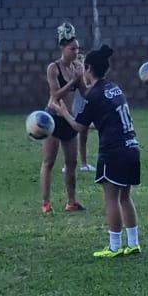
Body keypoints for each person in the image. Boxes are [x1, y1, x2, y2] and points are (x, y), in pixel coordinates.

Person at [48, 45, 141, 258]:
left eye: (83, 68)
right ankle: (134, 243)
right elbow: (102, 122)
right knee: (125, 197)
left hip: (114, 152)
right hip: (131, 148)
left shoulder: (94, 95)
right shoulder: (114, 88)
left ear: (88, 69)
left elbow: (79, 127)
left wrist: (62, 111)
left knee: (111, 199)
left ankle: (115, 246)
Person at [41, 22, 87, 214]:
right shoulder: (54, 68)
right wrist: (74, 81)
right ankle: (46, 203)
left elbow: (85, 93)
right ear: (62, 48)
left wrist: (87, 79)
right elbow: (55, 95)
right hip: (53, 117)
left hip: (68, 117)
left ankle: (71, 201)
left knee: (72, 163)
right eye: (72, 49)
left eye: (77, 48)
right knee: (49, 161)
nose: (76, 52)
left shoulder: (77, 67)